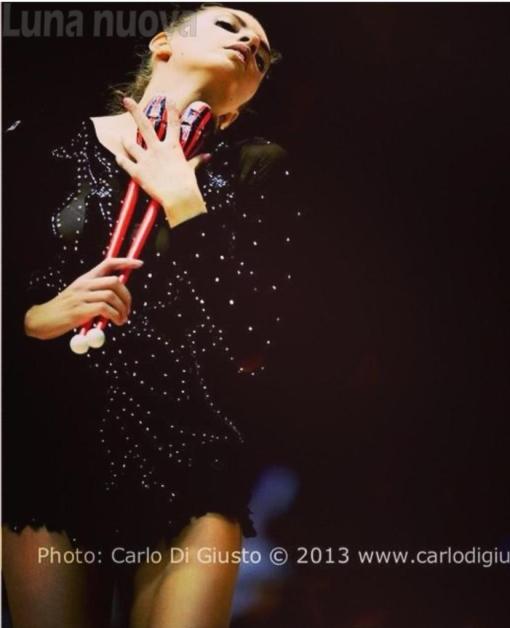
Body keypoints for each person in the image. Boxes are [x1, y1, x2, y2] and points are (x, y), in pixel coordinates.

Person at [2, 5, 299, 627]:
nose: (249, 43)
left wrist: (186, 202)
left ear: (238, 108)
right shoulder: (40, 145)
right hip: (53, 443)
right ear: (163, 44)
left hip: (191, 455)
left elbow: (259, 337)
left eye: (262, 55)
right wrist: (32, 317)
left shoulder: (256, 166)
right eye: (231, 26)